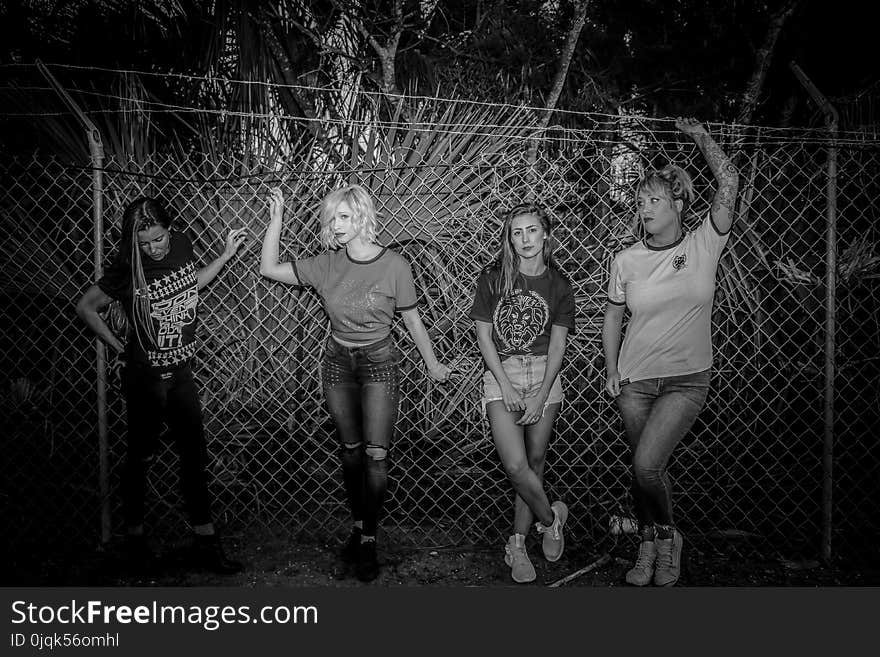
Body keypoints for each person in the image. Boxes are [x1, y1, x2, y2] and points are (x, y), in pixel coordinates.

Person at [260, 184, 451, 583]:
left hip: (379, 363)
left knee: (376, 454)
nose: (336, 225)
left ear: (363, 216)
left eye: (344, 217)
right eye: (332, 218)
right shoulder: (326, 264)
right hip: (337, 365)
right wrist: (277, 219)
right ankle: (359, 525)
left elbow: (412, 319)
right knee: (350, 452)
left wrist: (433, 364)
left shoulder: (395, 265)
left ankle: (368, 539)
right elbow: (268, 268)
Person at [76, 196, 247, 575]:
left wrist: (224, 256)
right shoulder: (127, 268)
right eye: (145, 243)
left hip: (181, 373)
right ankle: (135, 545)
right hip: (146, 379)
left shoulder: (183, 244)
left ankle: (206, 544)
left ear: (169, 229)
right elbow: (86, 306)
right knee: (140, 458)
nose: (154, 248)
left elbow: (192, 283)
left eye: (159, 239)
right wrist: (119, 346)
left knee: (194, 458)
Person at [602, 117, 739, 586]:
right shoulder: (626, 260)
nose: (645, 208)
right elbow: (614, 315)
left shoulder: (706, 242)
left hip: (686, 380)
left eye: (655, 200)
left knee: (646, 464)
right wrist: (610, 369)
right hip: (635, 381)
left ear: (679, 204)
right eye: (640, 201)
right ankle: (650, 544)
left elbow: (730, 181)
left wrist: (700, 137)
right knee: (647, 471)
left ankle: (667, 537)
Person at [468, 203, 576, 583]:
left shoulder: (559, 285)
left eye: (532, 230)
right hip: (502, 374)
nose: (525, 239)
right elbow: (484, 336)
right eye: (517, 232)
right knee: (515, 466)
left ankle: (517, 542)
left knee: (534, 462)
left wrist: (540, 393)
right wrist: (509, 386)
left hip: (545, 376)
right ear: (508, 238)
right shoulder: (493, 278)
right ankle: (551, 520)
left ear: (545, 234)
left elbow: (559, 346)